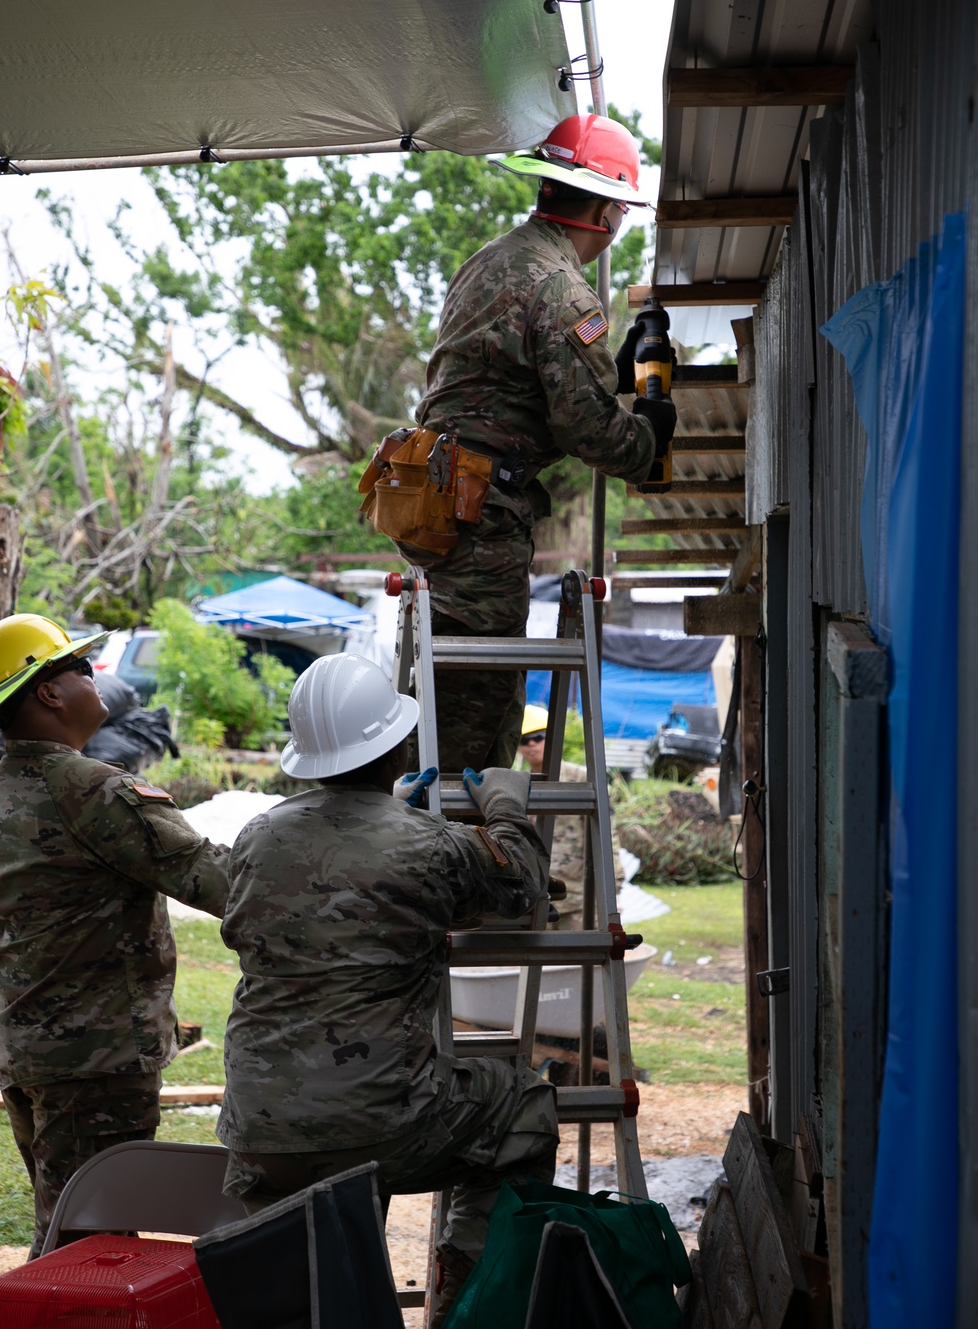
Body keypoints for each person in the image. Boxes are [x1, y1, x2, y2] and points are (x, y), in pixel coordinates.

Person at [217, 653, 558, 1327]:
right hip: (379, 1125)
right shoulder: (430, 845)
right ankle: (465, 1307)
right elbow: (519, 885)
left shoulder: (256, 836)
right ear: (398, 743)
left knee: (319, 1266)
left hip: (260, 1131)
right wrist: (507, 811)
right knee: (522, 1105)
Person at [364, 113, 677, 775]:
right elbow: (585, 426)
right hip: (481, 514)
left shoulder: (494, 259)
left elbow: (511, 381)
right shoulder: (559, 285)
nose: (616, 226)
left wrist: (609, 370)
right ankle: (450, 861)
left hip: (438, 493)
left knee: (450, 690)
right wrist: (650, 441)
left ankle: (454, 844)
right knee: (474, 706)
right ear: (600, 209)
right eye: (617, 212)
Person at [0, 613, 230, 1256]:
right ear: (46, 692)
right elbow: (217, 883)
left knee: (67, 1221)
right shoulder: (91, 790)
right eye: (76, 667)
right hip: (98, 1058)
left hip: (26, 1049)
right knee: (89, 1249)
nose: (93, 675)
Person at [515, 704, 622, 933]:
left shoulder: (581, 779)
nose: (531, 744)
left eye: (537, 737)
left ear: (551, 738)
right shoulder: (514, 784)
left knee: (588, 961)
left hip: (580, 896)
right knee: (535, 963)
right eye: (524, 740)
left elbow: (606, 834)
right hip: (534, 896)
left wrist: (614, 881)